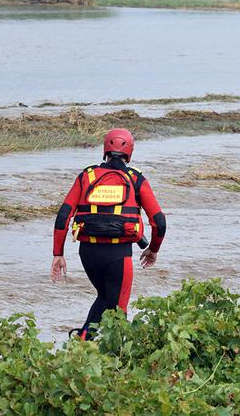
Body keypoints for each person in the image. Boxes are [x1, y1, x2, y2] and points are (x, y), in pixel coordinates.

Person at [51, 128, 166, 339]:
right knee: (118, 309)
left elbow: (63, 216)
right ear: (129, 152)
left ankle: (83, 341)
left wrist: (58, 254)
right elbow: (159, 221)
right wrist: (153, 249)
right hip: (118, 255)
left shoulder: (87, 176)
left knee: (104, 297)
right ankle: (117, 357)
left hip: (88, 253)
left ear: (105, 150)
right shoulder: (136, 179)